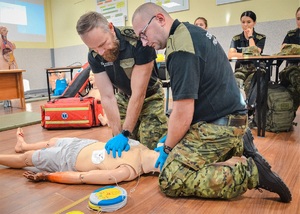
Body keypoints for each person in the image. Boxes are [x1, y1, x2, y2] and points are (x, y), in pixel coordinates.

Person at [131, 3, 291, 202]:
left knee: (170, 178)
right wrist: (171, 139)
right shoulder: (190, 31)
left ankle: (252, 174)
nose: (144, 43)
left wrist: (168, 150)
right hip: (229, 115)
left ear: (160, 19)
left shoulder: (180, 48)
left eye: (143, 34)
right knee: (169, 136)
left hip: (221, 123)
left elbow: (182, 112)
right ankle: (239, 143)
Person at [76, 11, 167, 158]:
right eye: (94, 48)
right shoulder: (94, 55)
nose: (101, 52)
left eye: (103, 44)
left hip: (150, 97)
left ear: (110, 28)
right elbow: (107, 96)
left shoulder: (138, 41)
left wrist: (126, 132)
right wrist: (118, 134)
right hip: (124, 97)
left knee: (149, 149)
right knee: (124, 152)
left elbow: (139, 94)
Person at [0, 128, 160, 184]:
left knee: (26, 159)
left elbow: (82, 177)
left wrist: (48, 176)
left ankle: (20, 151)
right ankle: (23, 145)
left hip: (67, 159)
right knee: (53, 141)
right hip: (83, 144)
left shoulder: (126, 171)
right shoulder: (144, 146)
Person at [228, 11, 266, 99]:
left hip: (255, 68)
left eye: (249, 22)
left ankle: (250, 108)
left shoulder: (261, 37)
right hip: (241, 68)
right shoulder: (236, 38)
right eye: (243, 22)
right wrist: (247, 53)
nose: (246, 25)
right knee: (234, 83)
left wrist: (250, 37)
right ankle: (239, 107)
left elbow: (255, 54)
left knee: (250, 84)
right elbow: (230, 55)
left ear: (254, 23)